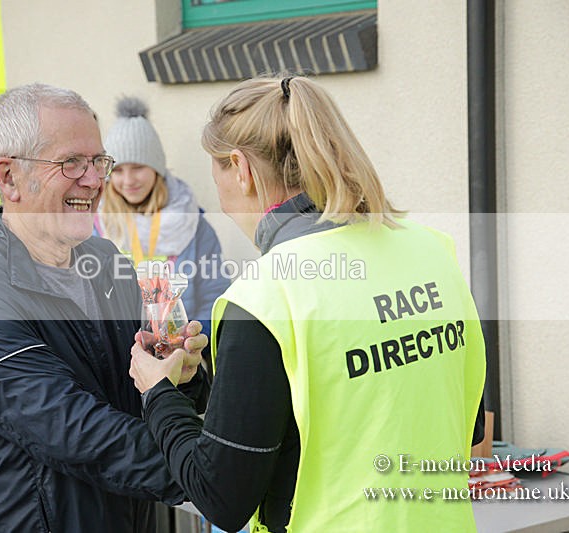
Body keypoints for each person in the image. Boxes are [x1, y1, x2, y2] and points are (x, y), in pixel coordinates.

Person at [129, 76, 487, 532]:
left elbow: (223, 497)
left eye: (216, 174)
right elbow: (455, 422)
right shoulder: (431, 250)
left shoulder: (265, 295)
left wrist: (159, 394)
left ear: (240, 168)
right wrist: (198, 384)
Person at [0, 83, 210, 532]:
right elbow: (82, 434)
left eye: (99, 161)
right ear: (8, 177)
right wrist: (213, 474)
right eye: (72, 163)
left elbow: (139, 393)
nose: (96, 180)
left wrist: (184, 374)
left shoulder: (105, 262)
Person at [97, 96, 229, 359]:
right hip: (115, 361)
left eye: (138, 168)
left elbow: (215, 298)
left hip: (180, 360)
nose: (128, 180)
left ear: (157, 169)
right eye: (119, 170)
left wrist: (190, 340)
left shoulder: (194, 225)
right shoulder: (94, 225)